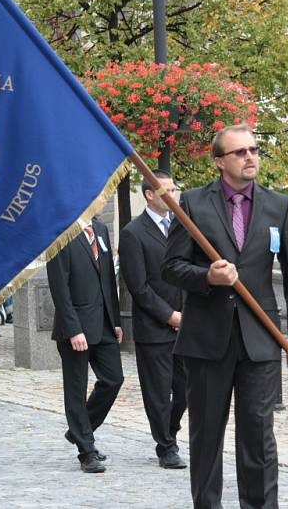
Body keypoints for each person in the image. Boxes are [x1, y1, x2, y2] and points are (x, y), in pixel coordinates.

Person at [162, 124, 288, 509]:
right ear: (219, 161)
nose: (250, 157)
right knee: (206, 437)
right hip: (206, 341)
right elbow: (171, 268)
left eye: (254, 150)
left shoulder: (278, 205)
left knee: (259, 437)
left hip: (260, 340)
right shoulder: (193, 204)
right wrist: (206, 277)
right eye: (240, 152)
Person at [46, 201, 124, 474]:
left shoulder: (100, 231)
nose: (104, 201)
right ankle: (86, 450)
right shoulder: (61, 234)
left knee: (114, 379)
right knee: (76, 390)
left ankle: (80, 429)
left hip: (103, 324)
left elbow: (107, 282)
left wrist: (115, 320)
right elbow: (59, 288)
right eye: (100, 196)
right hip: (76, 327)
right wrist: (73, 329)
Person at [118, 169, 187, 470]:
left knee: (185, 391)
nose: (173, 196)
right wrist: (169, 315)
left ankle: (169, 430)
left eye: (175, 190)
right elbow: (138, 287)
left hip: (187, 326)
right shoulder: (133, 233)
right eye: (167, 191)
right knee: (158, 392)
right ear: (149, 194)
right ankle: (165, 446)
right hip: (155, 327)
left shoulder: (182, 227)